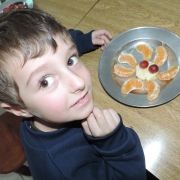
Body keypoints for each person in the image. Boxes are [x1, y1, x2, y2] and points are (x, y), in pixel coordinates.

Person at [0, 8, 147, 180]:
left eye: (70, 60)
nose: (78, 82)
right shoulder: (64, 169)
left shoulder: (40, 112)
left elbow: (55, 44)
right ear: (19, 109)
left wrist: (84, 40)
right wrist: (115, 141)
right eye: (45, 82)